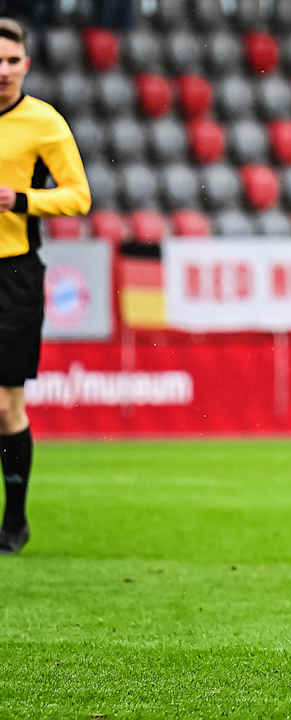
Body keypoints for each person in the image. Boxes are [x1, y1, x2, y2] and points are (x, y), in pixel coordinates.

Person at [0, 17, 92, 554]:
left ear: (26, 64)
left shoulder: (44, 123)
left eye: (12, 61)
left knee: (7, 407)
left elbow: (79, 196)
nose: (4, 70)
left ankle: (14, 522)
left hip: (13, 275)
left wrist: (24, 200)